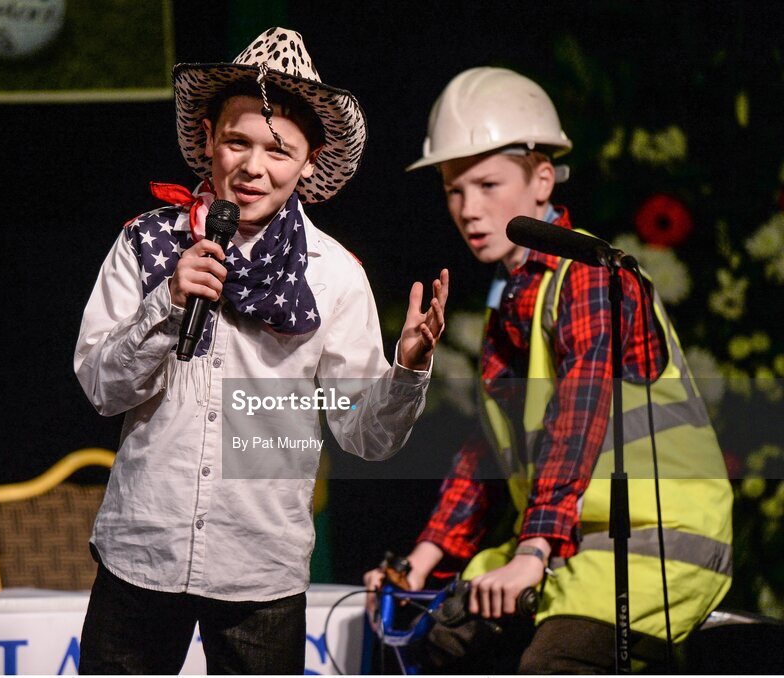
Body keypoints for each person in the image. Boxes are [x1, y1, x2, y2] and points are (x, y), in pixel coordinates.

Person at [74, 28, 449, 675]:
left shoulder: (332, 273)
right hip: (143, 551)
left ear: (308, 161)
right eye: (238, 142)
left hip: (259, 567)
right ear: (209, 140)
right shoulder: (146, 244)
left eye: (279, 149)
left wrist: (407, 369)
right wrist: (166, 302)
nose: (253, 166)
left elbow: (364, 435)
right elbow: (102, 388)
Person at [364, 67, 733, 673]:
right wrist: (419, 561)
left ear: (541, 180)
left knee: (553, 666)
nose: (468, 209)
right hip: (571, 546)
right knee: (439, 639)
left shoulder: (589, 274)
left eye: (487, 185)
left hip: (654, 545)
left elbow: (578, 419)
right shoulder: (509, 300)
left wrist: (533, 550)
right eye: (454, 190)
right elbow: (487, 453)